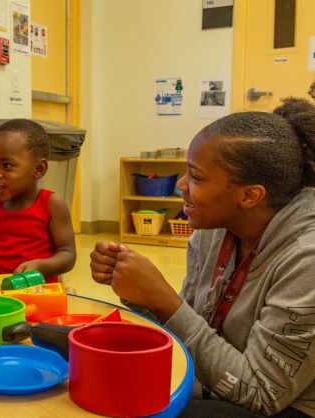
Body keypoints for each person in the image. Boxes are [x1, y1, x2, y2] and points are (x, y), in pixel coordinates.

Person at [90, 97, 315, 417]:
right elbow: (193, 329)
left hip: (281, 404)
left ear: (249, 196)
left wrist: (164, 300)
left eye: (196, 176)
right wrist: (139, 293)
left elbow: (261, 395)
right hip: (219, 380)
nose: (180, 185)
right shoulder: (213, 228)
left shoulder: (306, 258)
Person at [0, 119, 76, 282]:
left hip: (37, 293)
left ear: (39, 169)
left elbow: (67, 254)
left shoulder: (52, 204)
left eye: (6, 165)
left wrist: (41, 266)